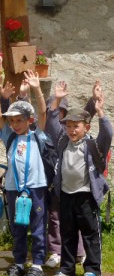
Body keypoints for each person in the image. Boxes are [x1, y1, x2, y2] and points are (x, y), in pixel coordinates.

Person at [45, 81, 112, 276]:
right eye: (69, 126)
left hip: (86, 197)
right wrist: (57, 100)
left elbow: (107, 134)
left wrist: (100, 111)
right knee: (68, 234)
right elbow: (50, 123)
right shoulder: (62, 141)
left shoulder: (93, 145)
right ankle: (66, 268)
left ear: (86, 127)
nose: (72, 130)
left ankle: (92, 269)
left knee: (91, 234)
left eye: (76, 126)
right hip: (66, 196)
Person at [0, 70, 48, 276]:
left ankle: (37, 264)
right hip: (13, 188)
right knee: (18, 228)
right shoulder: (9, 136)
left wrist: (37, 88)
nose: (14, 125)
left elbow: (43, 113)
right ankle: (18, 262)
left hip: (35, 187)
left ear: (29, 120)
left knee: (37, 226)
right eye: (12, 121)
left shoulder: (37, 136)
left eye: (19, 120)